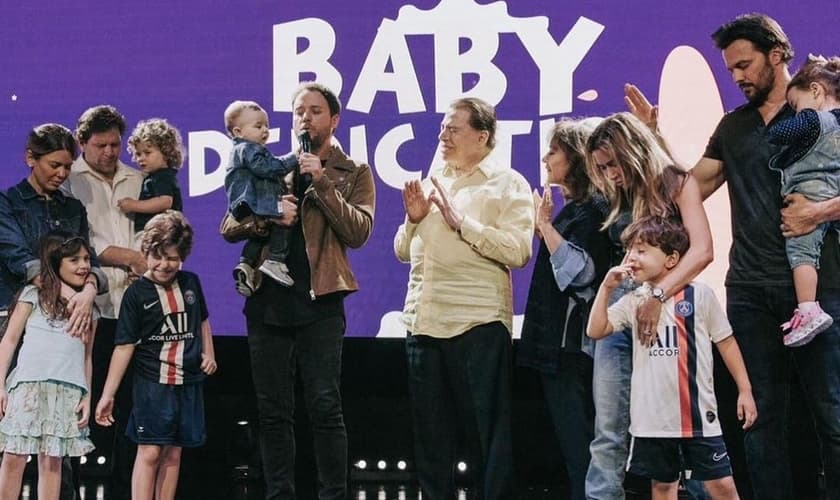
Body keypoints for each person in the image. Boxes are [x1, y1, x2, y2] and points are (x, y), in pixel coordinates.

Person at [625, 13, 840, 499]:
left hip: (819, 287)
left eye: (745, 65)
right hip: (748, 291)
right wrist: (653, 140)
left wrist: (819, 211)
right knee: (761, 424)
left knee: (831, 418)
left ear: (778, 54)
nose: (738, 76)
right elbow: (686, 188)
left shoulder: (821, 113)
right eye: (731, 70)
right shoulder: (734, 127)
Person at [394, 97, 534, 499]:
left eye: (453, 129)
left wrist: (463, 223)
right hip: (423, 322)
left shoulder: (508, 183)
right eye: (442, 128)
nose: (443, 136)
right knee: (430, 436)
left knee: (487, 435)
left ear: (482, 136)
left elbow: (518, 251)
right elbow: (403, 251)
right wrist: (414, 218)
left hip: (478, 323)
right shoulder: (431, 179)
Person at [244, 82, 375, 500]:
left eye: (315, 111)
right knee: (272, 412)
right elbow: (230, 224)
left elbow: (359, 231)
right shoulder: (268, 166)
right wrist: (266, 216)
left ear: (334, 120)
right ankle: (279, 493)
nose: (305, 118)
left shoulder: (354, 171)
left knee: (324, 406)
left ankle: (333, 494)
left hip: (321, 300)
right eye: (299, 111)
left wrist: (320, 183)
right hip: (268, 300)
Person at [583, 112, 713, 500]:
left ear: (631, 152)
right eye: (602, 168)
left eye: (612, 164)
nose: (609, 175)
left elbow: (703, 250)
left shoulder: (677, 183)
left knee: (683, 423)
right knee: (608, 427)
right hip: (624, 305)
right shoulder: (617, 193)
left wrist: (658, 296)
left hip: (674, 309)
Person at [587, 216, 756, 500]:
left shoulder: (699, 295)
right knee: (663, 487)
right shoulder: (633, 301)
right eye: (628, 251)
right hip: (653, 422)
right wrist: (606, 289)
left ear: (672, 259)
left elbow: (725, 341)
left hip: (698, 417)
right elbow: (596, 329)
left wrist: (745, 390)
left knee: (722, 486)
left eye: (641, 250)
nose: (632, 258)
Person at [0, 123, 106, 500]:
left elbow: (86, 259)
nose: (61, 174)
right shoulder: (8, 203)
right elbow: (19, 259)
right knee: (12, 440)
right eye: (54, 165)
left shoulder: (72, 207)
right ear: (31, 158)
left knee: (55, 451)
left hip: (66, 331)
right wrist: (61, 289)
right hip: (20, 317)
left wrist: (90, 287)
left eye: (67, 167)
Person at [94, 210, 217, 500]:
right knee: (150, 451)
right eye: (158, 256)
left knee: (173, 452)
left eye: (172, 258)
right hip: (153, 385)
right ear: (146, 252)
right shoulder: (136, 295)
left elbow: (202, 320)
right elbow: (124, 346)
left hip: (188, 382)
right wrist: (108, 394)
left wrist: (208, 352)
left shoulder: (191, 282)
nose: (164, 264)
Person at [517, 117, 609, 500]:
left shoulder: (592, 210)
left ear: (575, 156)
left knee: (581, 450)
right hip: (561, 350)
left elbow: (582, 275)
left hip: (573, 350)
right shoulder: (577, 209)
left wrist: (546, 228)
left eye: (553, 150)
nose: (545, 157)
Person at [62, 104, 145, 500]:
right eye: (101, 145)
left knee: (127, 410)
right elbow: (77, 241)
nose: (111, 152)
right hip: (86, 311)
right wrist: (126, 257)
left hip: (134, 312)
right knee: (81, 407)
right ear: (82, 143)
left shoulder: (139, 179)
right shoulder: (68, 180)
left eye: (116, 144)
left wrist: (144, 259)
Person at [0, 231, 97, 500]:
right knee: (14, 454)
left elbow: (86, 356)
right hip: (28, 387)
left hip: (66, 390)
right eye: (74, 259)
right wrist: (0, 385)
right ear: (57, 263)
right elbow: (8, 342)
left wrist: (87, 395)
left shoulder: (90, 310)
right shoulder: (33, 295)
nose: (83, 266)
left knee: (52, 460)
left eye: (87, 259)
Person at [766, 55, 840, 346]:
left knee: (801, 249)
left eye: (796, 105)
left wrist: (788, 113)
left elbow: (775, 134)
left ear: (816, 91)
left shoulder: (812, 121)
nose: (795, 112)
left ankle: (808, 308)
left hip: (812, 190)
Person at [224, 100, 299, 294]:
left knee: (261, 233)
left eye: (267, 126)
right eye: (258, 126)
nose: (265, 130)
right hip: (255, 203)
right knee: (284, 221)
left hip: (249, 206)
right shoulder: (248, 149)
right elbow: (267, 168)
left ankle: (246, 264)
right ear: (238, 132)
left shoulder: (241, 150)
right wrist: (294, 158)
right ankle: (275, 259)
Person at [117, 118, 185, 237]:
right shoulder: (154, 176)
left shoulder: (163, 176)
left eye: (147, 153)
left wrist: (133, 205)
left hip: (163, 234)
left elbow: (165, 202)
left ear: (166, 152)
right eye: (138, 154)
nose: (140, 158)